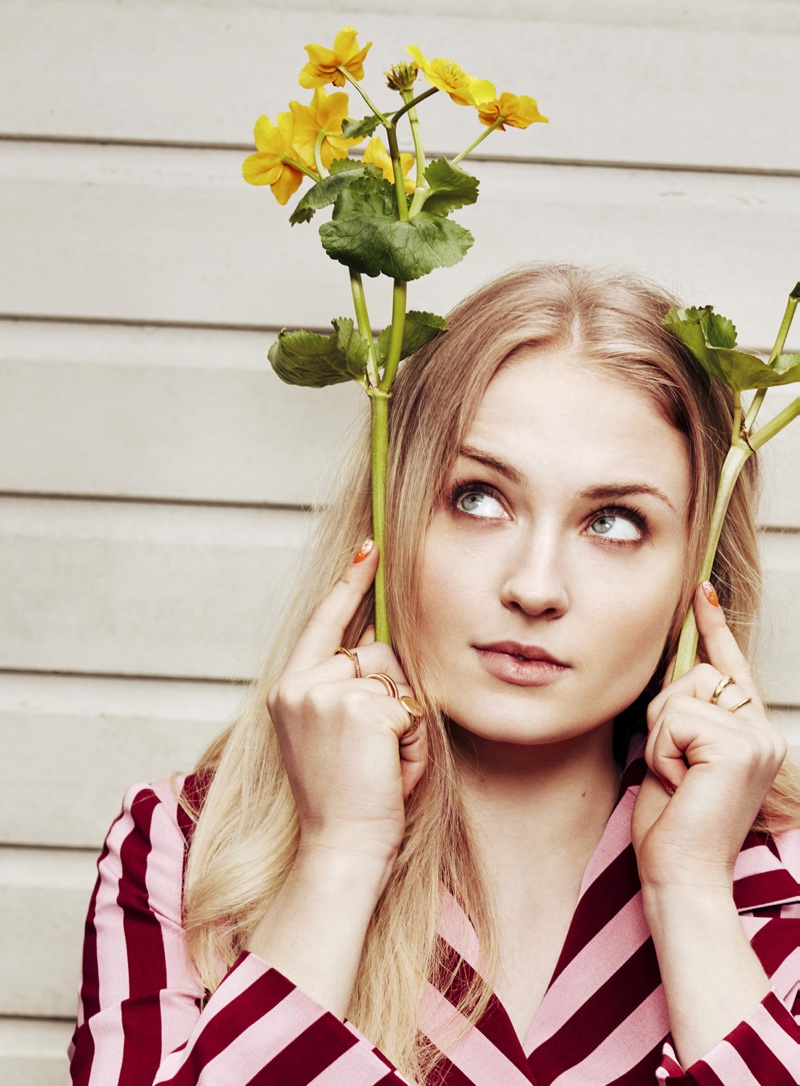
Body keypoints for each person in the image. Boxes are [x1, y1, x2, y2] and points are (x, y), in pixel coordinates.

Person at [66, 264, 800, 1086]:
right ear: (392, 514)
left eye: (614, 522)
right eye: (478, 498)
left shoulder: (784, 884)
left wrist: (693, 895)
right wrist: (340, 856)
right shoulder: (187, 847)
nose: (534, 587)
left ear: (699, 581)